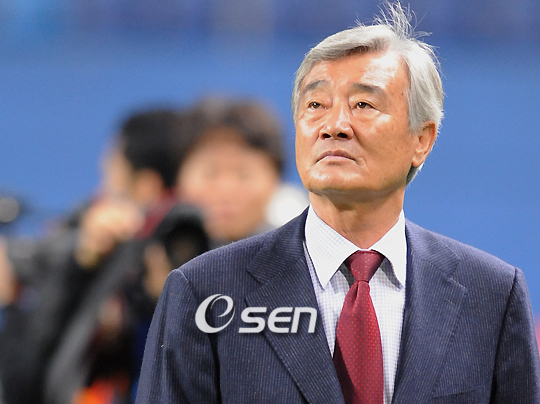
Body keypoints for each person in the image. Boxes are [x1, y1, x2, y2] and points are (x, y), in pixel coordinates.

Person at [135, 2, 540, 403]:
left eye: (363, 105)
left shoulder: (492, 296)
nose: (334, 126)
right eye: (316, 105)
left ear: (422, 139)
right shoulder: (203, 289)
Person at [0, 108, 209, 404]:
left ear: (146, 185)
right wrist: (82, 260)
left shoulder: (164, 243)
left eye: (112, 166)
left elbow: (27, 378)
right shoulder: (92, 239)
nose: (102, 171)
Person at [176, 97, 285, 247]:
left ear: (275, 179)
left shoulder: (299, 255)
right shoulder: (153, 251)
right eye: (210, 173)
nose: (226, 191)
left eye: (244, 175)